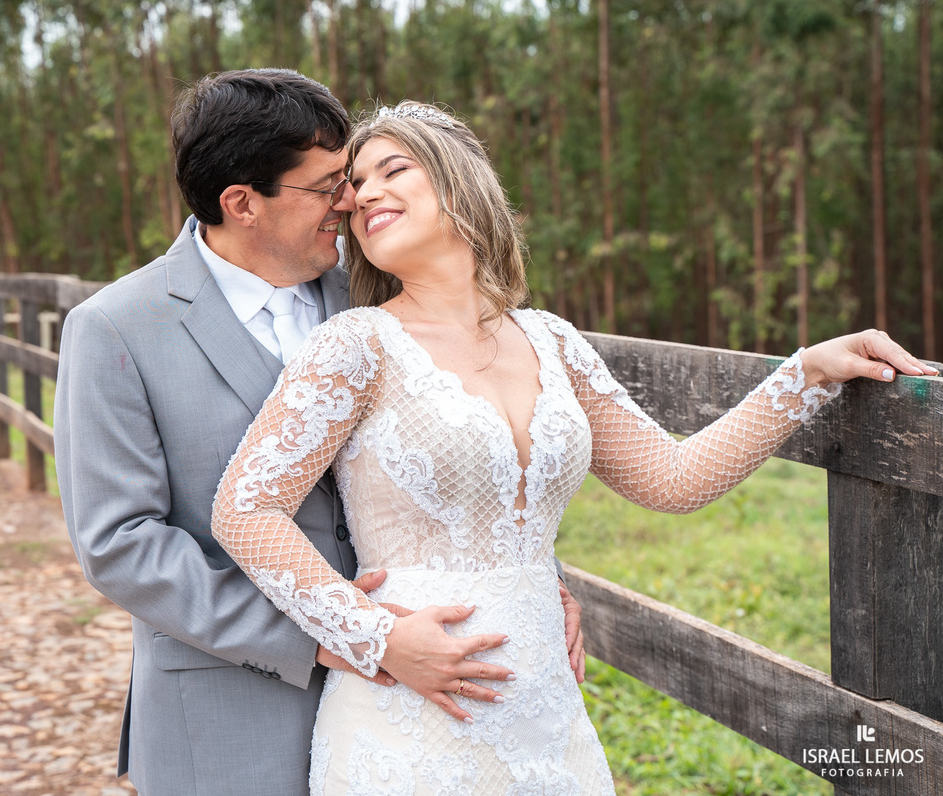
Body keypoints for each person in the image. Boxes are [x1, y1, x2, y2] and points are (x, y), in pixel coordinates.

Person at [210, 101, 939, 794]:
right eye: (354, 185)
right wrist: (372, 636)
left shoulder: (552, 339)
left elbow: (671, 477)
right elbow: (246, 509)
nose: (363, 194)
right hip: (407, 716)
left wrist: (805, 373)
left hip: (547, 713)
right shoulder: (354, 345)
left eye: (391, 170)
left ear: (459, 182)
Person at [53, 72, 584, 796]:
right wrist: (340, 635)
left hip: (420, 712)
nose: (351, 200)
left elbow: (472, 440)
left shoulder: (368, 290)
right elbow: (120, 545)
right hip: (228, 709)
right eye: (326, 184)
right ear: (242, 203)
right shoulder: (117, 328)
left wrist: (531, 581)